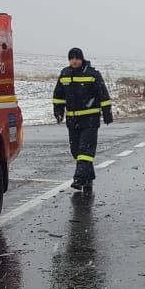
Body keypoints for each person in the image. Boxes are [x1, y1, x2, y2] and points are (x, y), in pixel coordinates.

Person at [52, 47, 112, 192]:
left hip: (90, 119)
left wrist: (107, 113)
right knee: (76, 152)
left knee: (85, 150)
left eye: (76, 58)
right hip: (72, 120)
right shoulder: (65, 74)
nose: (74, 61)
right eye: (71, 58)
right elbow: (58, 95)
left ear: (82, 59)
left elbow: (103, 94)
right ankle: (88, 177)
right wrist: (58, 111)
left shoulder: (93, 74)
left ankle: (79, 179)